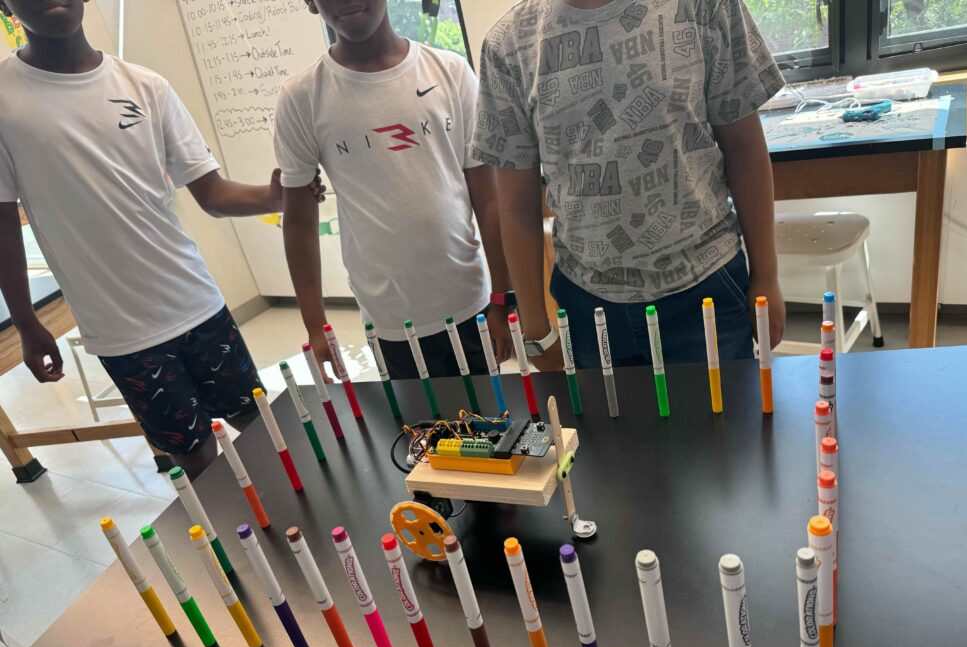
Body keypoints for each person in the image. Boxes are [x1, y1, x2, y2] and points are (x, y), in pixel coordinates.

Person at [0, 0, 321, 479]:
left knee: (263, 428)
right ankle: (237, 549)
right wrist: (26, 321)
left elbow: (211, 193)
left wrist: (277, 196)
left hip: (198, 304)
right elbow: (3, 222)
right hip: (122, 331)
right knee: (194, 458)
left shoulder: (146, 86)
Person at [472, 0, 787, 371]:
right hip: (588, 303)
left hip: (706, 286)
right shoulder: (508, 44)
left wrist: (766, 275)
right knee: (607, 431)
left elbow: (745, 149)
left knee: (728, 428)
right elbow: (516, 207)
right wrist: (536, 329)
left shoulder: (705, 6)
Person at [275, 0, 514, 383]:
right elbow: (300, 222)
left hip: (471, 304)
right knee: (419, 435)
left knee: (490, 427)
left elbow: (488, 199)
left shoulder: (450, 71)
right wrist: (315, 323)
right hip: (389, 322)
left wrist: (503, 296)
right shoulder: (302, 97)